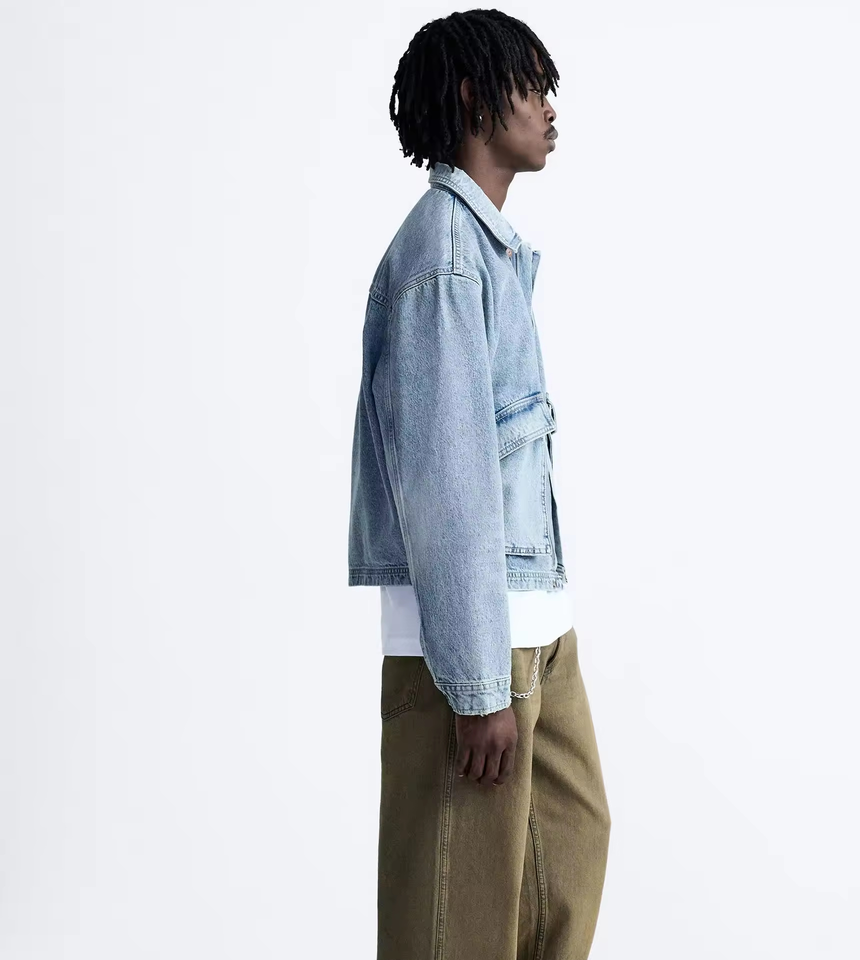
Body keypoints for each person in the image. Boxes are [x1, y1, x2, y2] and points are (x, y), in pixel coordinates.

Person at [346, 9, 611, 958]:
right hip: (475, 649)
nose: (550, 109)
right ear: (473, 97)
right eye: (532, 87)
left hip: (535, 624)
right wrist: (474, 685)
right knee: (456, 922)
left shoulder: (486, 251)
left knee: (566, 858)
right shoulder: (445, 260)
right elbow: (446, 483)